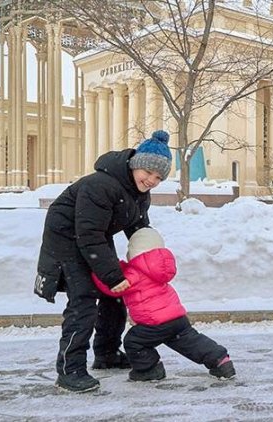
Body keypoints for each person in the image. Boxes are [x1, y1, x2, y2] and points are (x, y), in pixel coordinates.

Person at [35, 130, 173, 393]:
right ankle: (70, 369)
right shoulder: (100, 185)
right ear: (135, 164)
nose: (152, 180)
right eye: (149, 173)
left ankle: (107, 353)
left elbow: (139, 229)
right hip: (67, 237)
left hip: (94, 237)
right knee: (84, 300)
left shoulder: (139, 192)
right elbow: (88, 234)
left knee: (115, 294)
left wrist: (153, 259)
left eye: (159, 177)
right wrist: (112, 274)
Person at [92, 227, 236, 382]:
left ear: (134, 251)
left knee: (134, 341)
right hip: (176, 318)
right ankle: (220, 360)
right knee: (191, 341)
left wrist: (97, 271)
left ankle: (149, 370)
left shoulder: (134, 272)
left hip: (154, 323)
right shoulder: (157, 268)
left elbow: (113, 288)